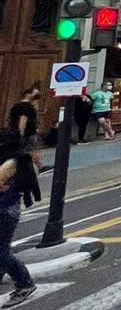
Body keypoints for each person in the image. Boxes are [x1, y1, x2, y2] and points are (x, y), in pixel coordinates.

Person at [0, 129, 40, 307]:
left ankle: (25, 284)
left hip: (5, 210)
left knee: (1, 251)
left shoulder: (11, 163)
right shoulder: (15, 158)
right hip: (8, 208)